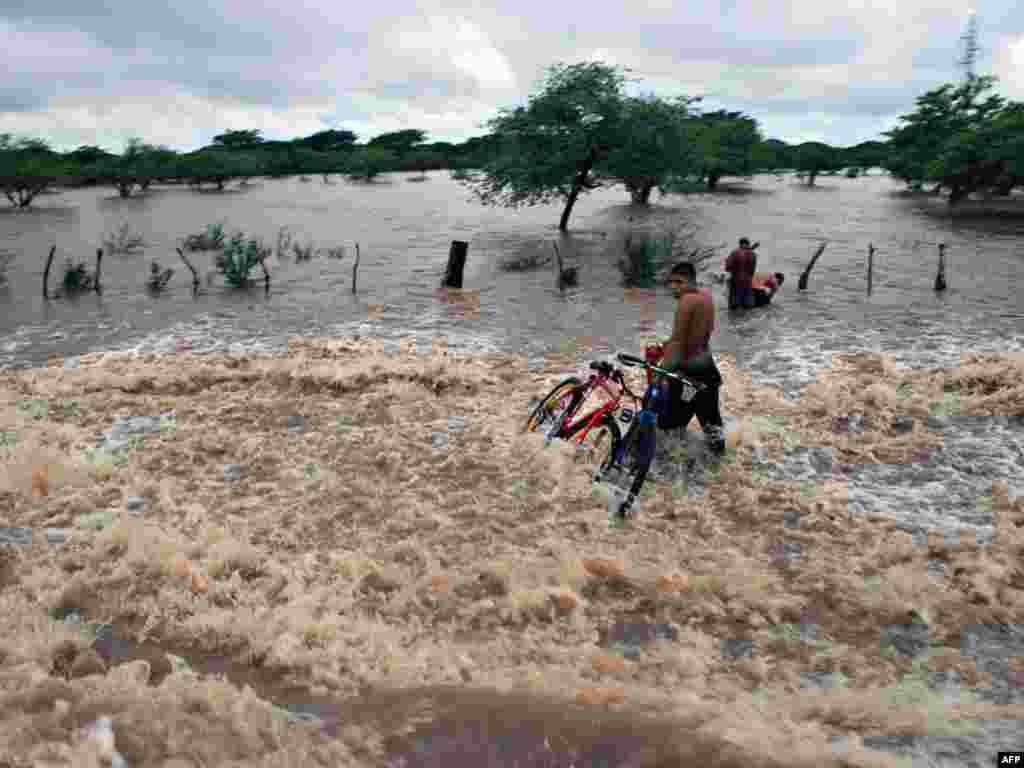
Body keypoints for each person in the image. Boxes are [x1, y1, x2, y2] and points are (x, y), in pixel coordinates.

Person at [646, 262, 726, 455]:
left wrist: (659, 374)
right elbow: (696, 338)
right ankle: (720, 473)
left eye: (679, 282)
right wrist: (664, 347)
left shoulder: (686, 302)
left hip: (687, 376)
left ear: (690, 281)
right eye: (672, 282)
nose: (674, 286)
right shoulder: (706, 298)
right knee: (712, 427)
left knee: (667, 427)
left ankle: (667, 474)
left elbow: (680, 343)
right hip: (707, 371)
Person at [724, 237, 757, 310]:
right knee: (748, 306)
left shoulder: (734, 253)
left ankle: (735, 321)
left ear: (740, 244)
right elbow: (752, 271)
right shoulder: (753, 254)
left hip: (736, 280)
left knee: (735, 306)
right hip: (747, 281)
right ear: (748, 244)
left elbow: (727, 267)